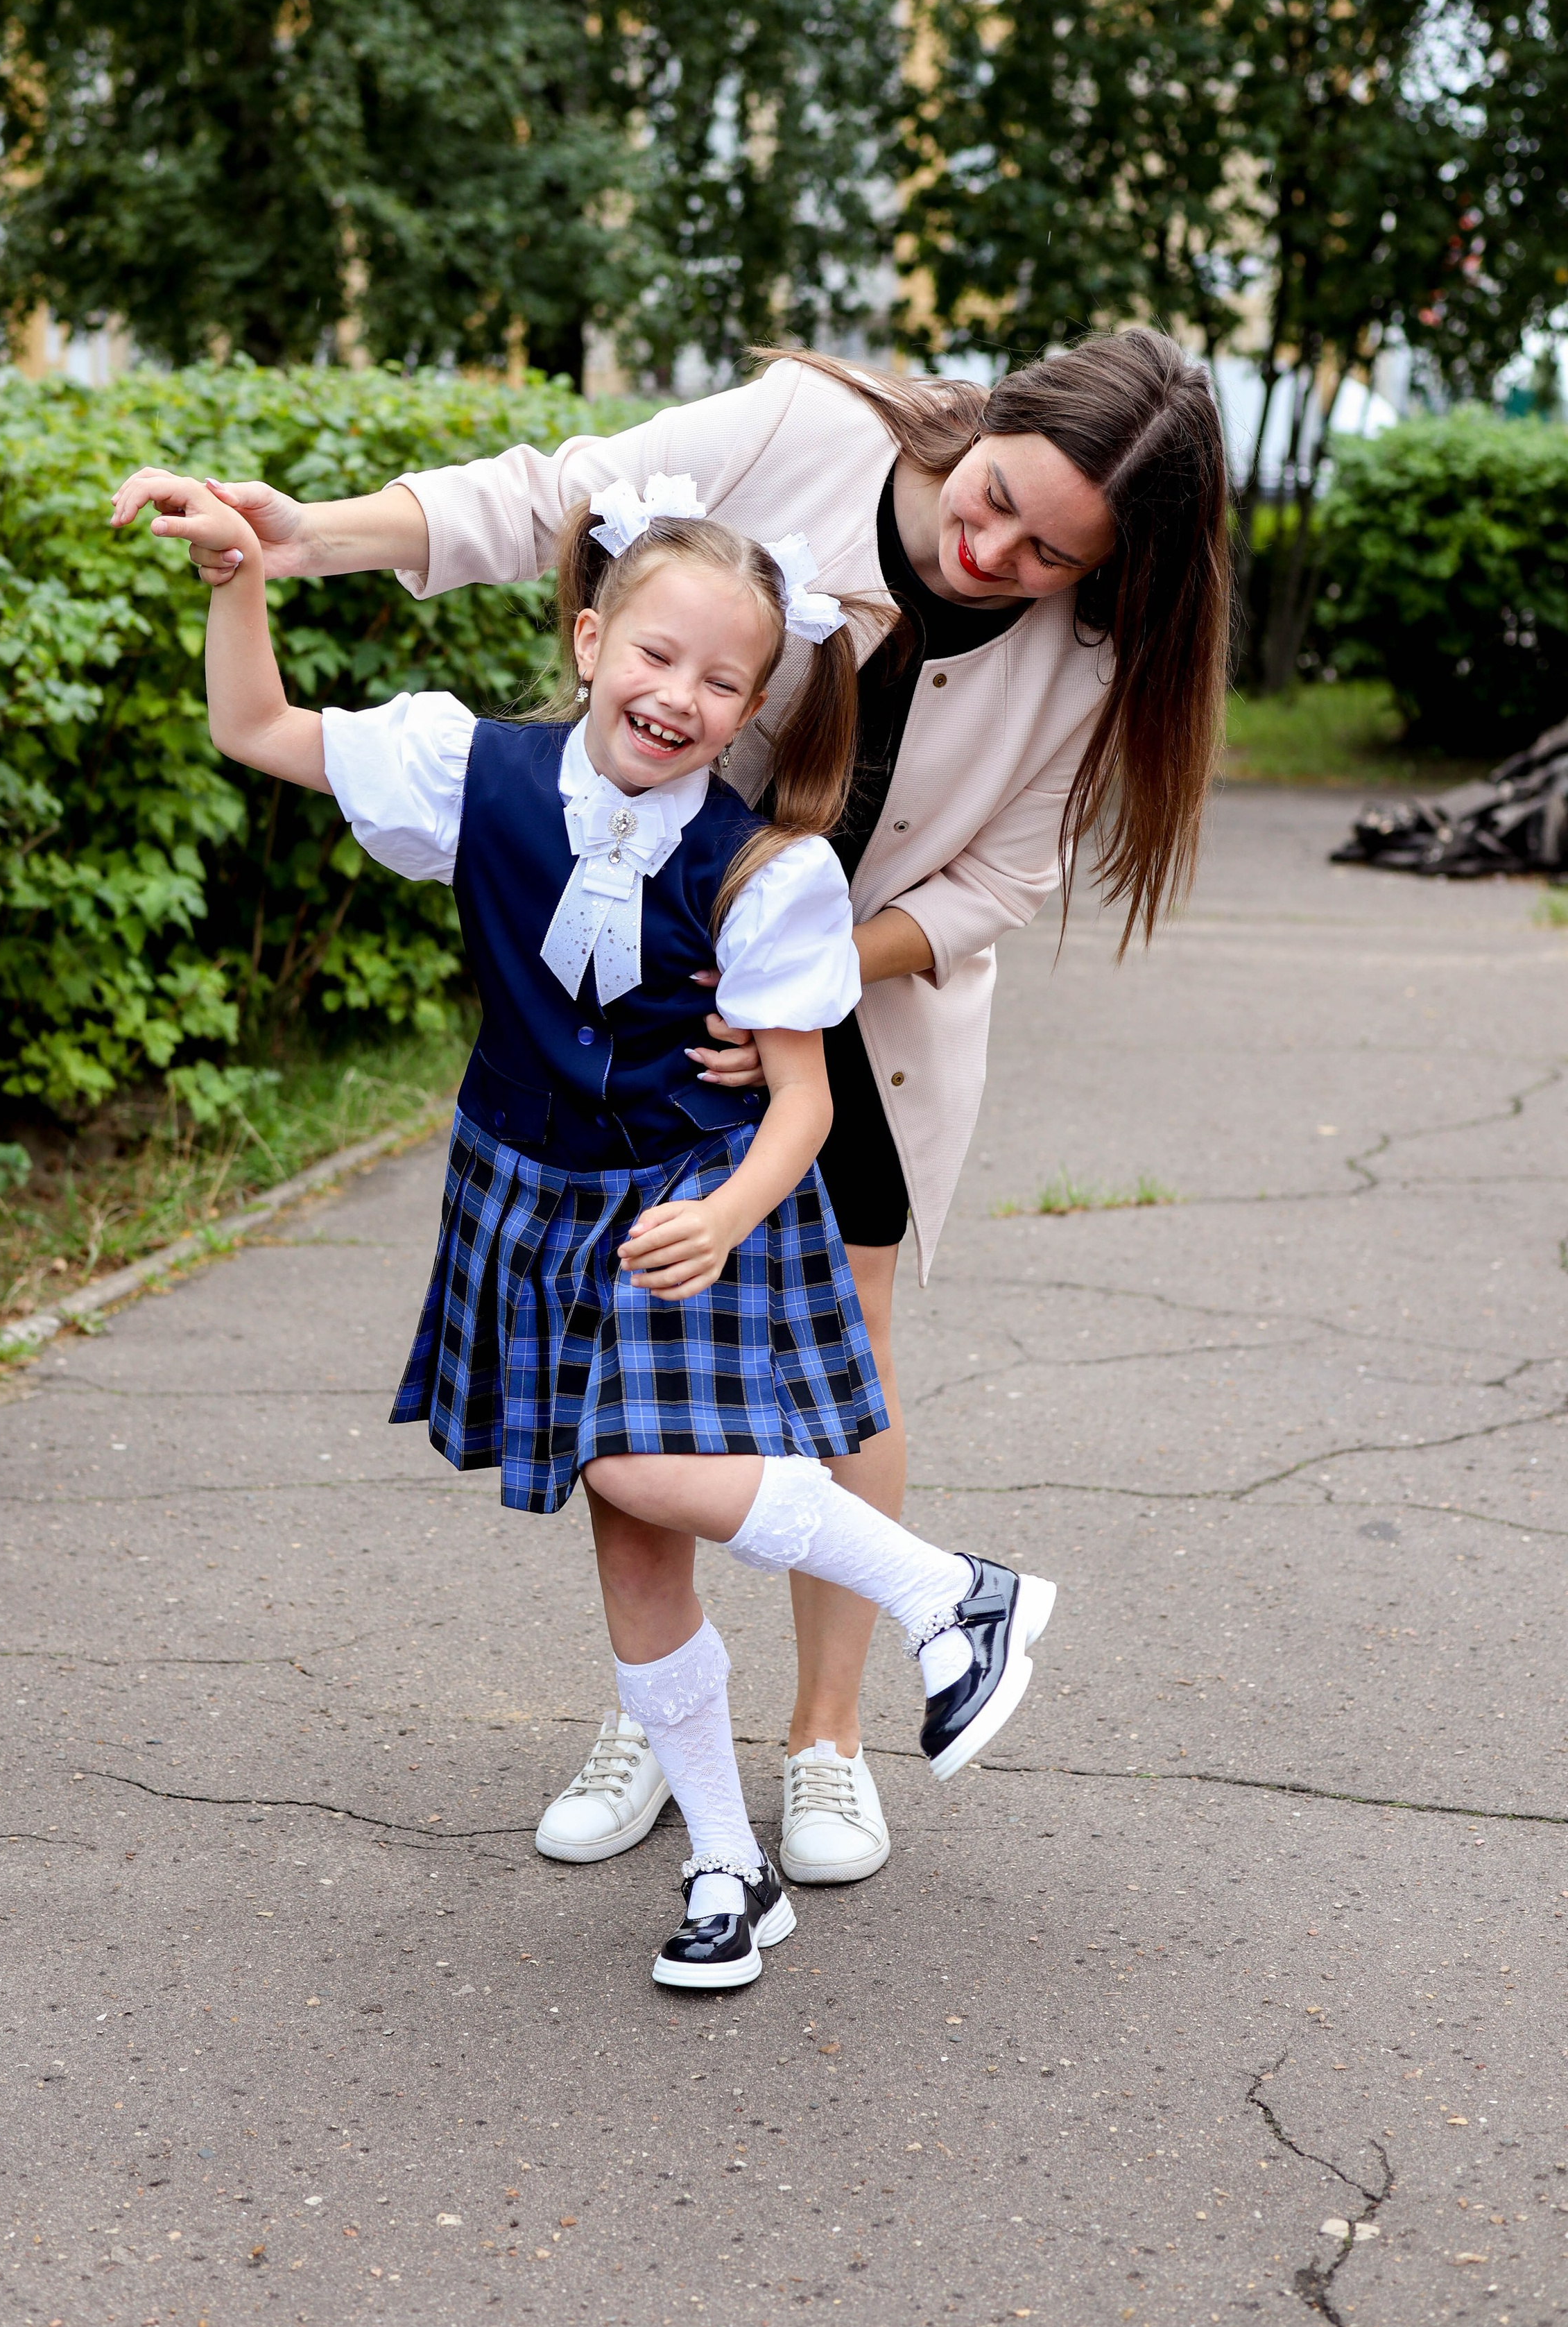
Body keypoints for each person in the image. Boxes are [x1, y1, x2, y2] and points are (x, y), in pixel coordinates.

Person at [112, 327, 1227, 1889]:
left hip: (842, 1006)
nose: (994, 555)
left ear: (1109, 572)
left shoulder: (1088, 658)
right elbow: (556, 499)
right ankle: (664, 1710)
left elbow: (1000, 881)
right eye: (992, 500)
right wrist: (301, 542)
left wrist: (794, 980)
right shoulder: (805, 428)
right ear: (983, 422)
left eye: (1050, 556)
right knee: (626, 1399)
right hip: (641, 990)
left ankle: (829, 1737)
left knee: (842, 1366)